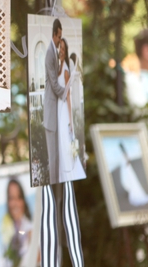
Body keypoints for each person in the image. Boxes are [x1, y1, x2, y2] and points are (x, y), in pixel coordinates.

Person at [57, 38, 86, 182]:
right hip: (57, 109)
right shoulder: (58, 67)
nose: (61, 51)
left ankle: (68, 170)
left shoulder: (66, 70)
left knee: (64, 138)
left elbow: (68, 97)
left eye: (63, 49)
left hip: (63, 111)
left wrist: (70, 121)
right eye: (59, 48)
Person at [43, 18, 66, 184]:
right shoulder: (50, 53)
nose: (59, 41)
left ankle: (57, 182)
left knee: (58, 155)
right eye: (59, 38)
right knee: (53, 156)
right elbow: (53, 82)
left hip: (56, 112)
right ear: (54, 34)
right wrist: (67, 92)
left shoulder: (55, 52)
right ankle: (53, 185)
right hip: (51, 112)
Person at [0, 179, 32, 267]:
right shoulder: (7, 228)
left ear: (23, 201)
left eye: (19, 197)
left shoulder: (30, 229)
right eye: (11, 198)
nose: (15, 203)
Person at [119, 142, 148, 207]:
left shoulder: (124, 154)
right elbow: (127, 160)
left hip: (127, 168)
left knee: (130, 180)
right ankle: (132, 191)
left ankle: (133, 192)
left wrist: (126, 164)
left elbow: (127, 160)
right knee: (130, 179)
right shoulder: (124, 153)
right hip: (127, 168)